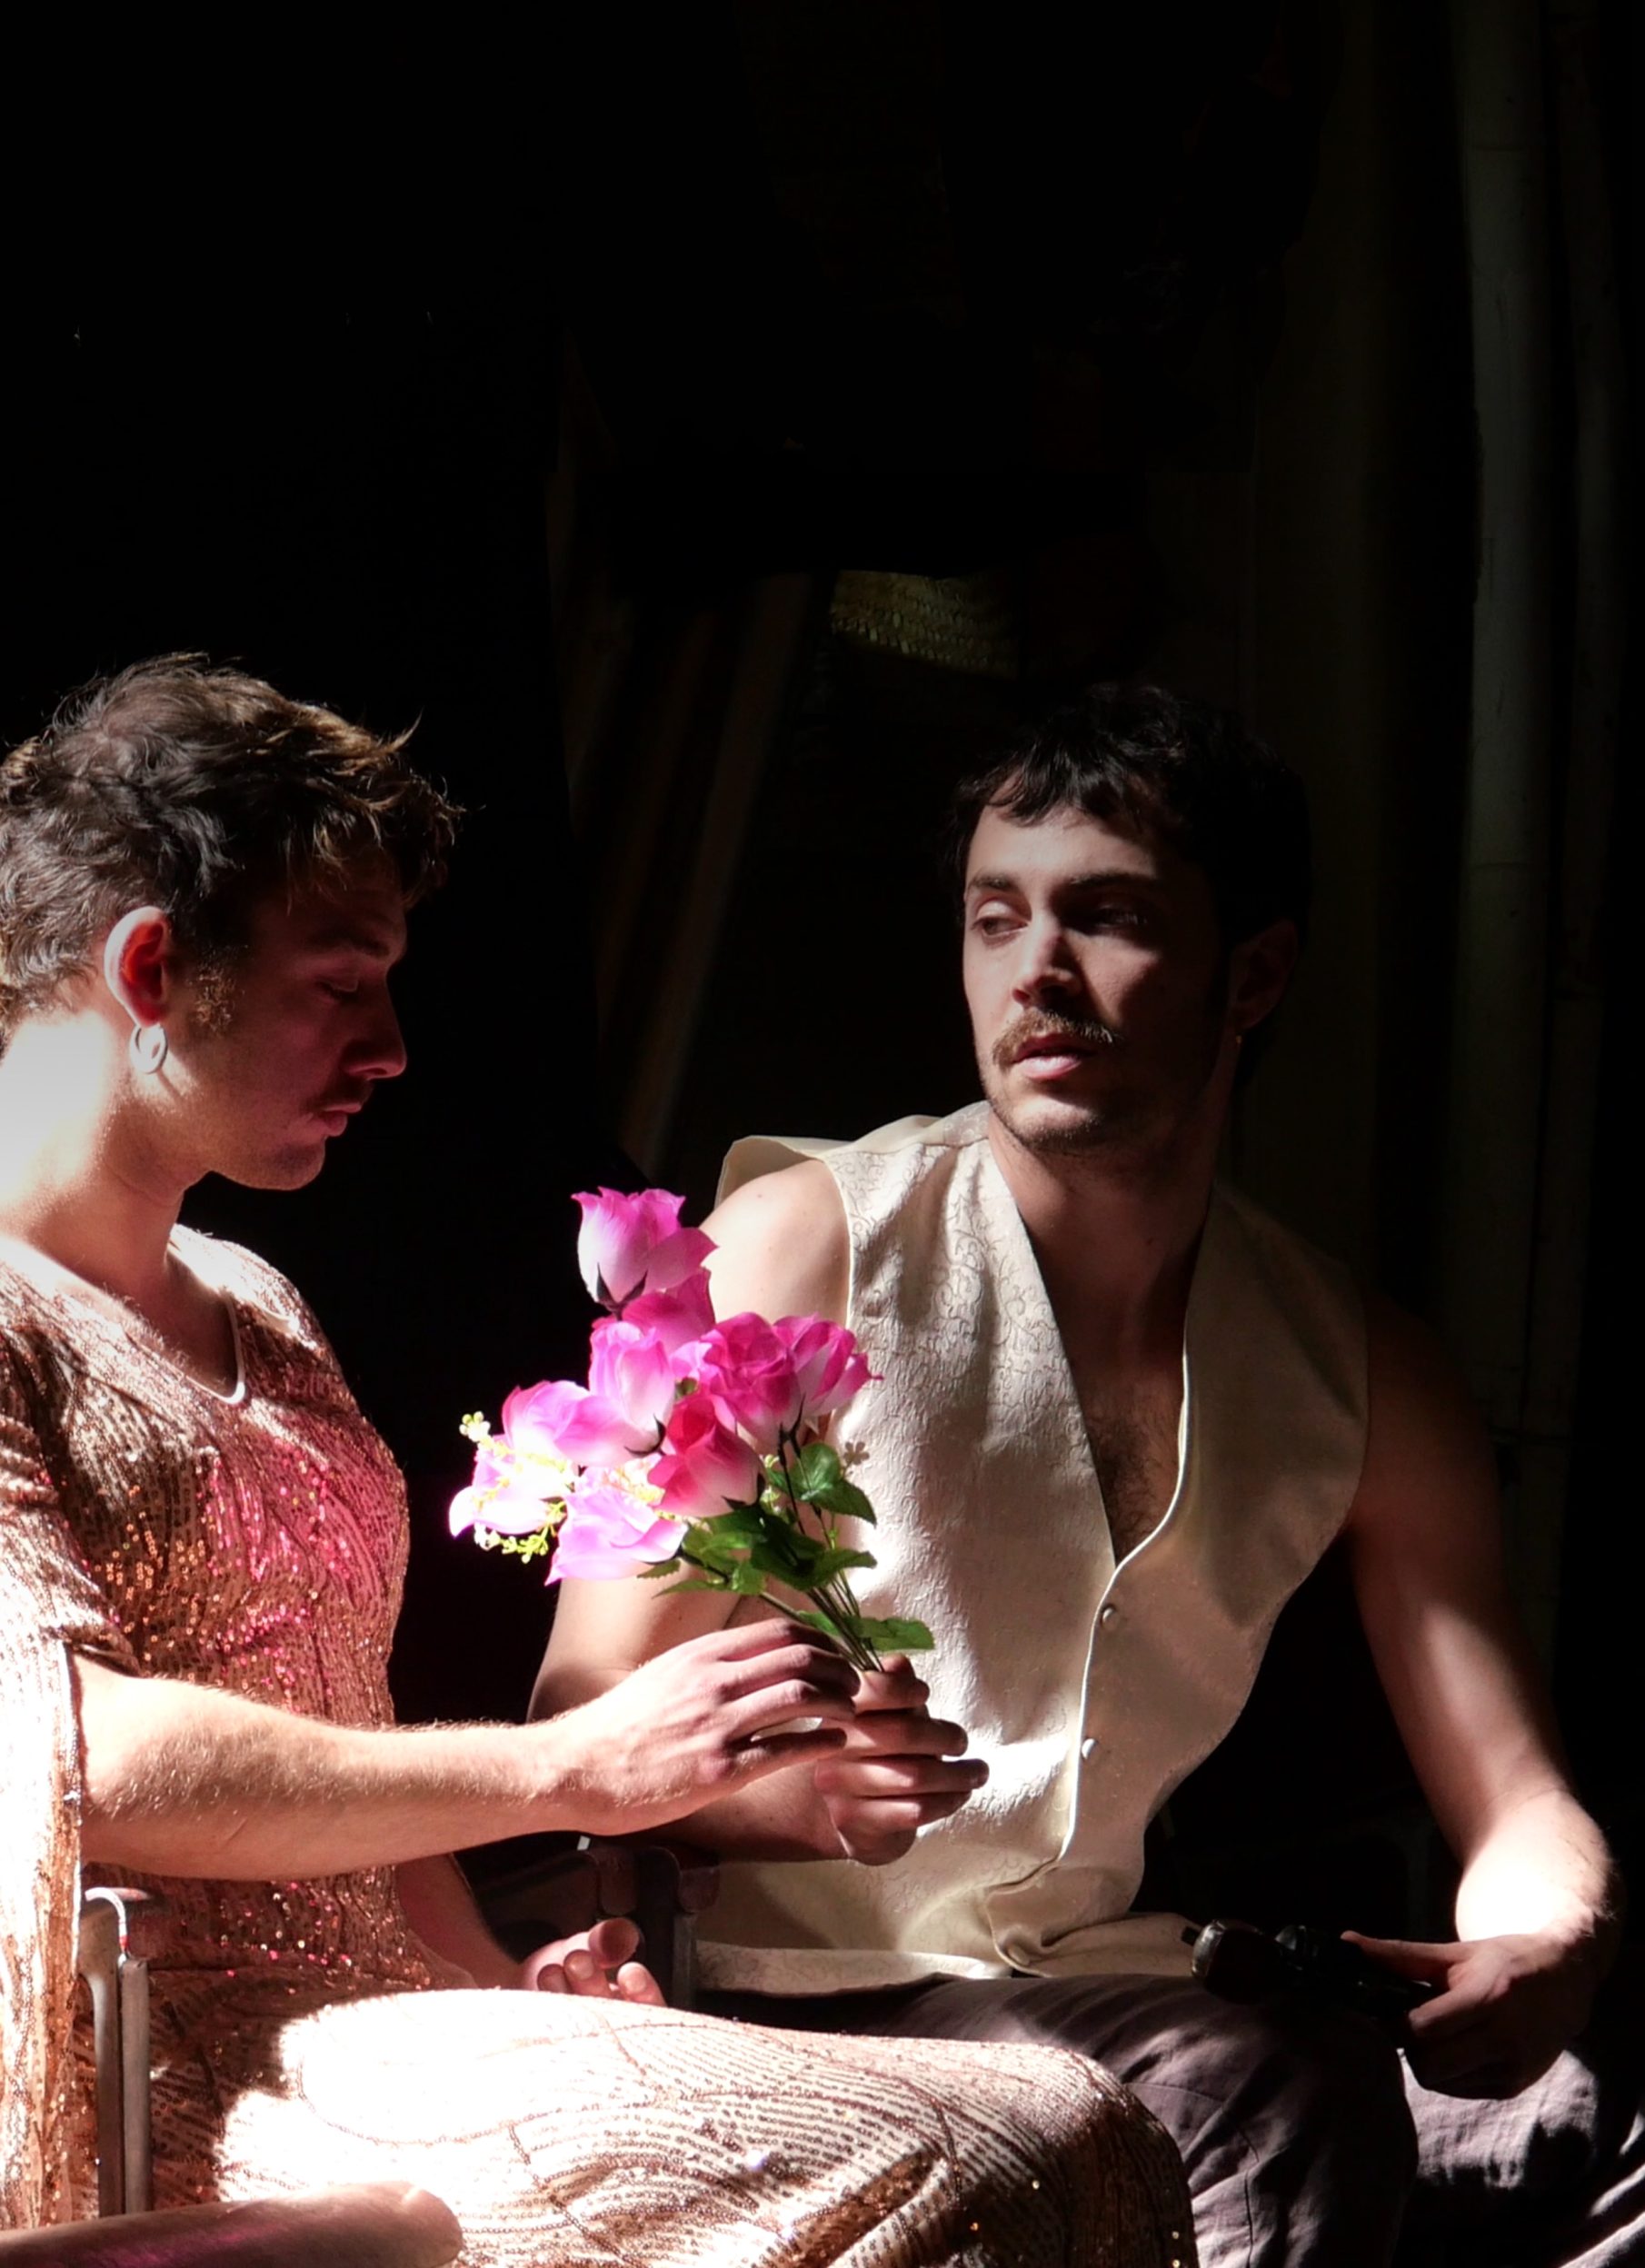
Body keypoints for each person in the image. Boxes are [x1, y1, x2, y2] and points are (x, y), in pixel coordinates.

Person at [0, 658, 1196, 2263]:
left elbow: (344, 1742)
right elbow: (83, 1754)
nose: (392, 1047)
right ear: (152, 967)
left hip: (390, 2041)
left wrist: (503, 1989)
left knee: (1084, 2124)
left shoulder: (257, 1302)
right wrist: (570, 1767)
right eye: (341, 983)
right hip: (172, 2076)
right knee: (1002, 2151)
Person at [538, 682, 1642, 2266]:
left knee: (1583, 2116)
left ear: (1252, 973)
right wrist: (782, 1798)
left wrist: (1546, 1941)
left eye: (1106, 916)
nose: (1036, 973)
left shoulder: (1359, 1367)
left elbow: (1513, 1791)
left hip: (1114, 1979)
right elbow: (577, 1709)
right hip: (811, 2001)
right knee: (1263, 2088)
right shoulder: (802, 1244)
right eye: (996, 919)